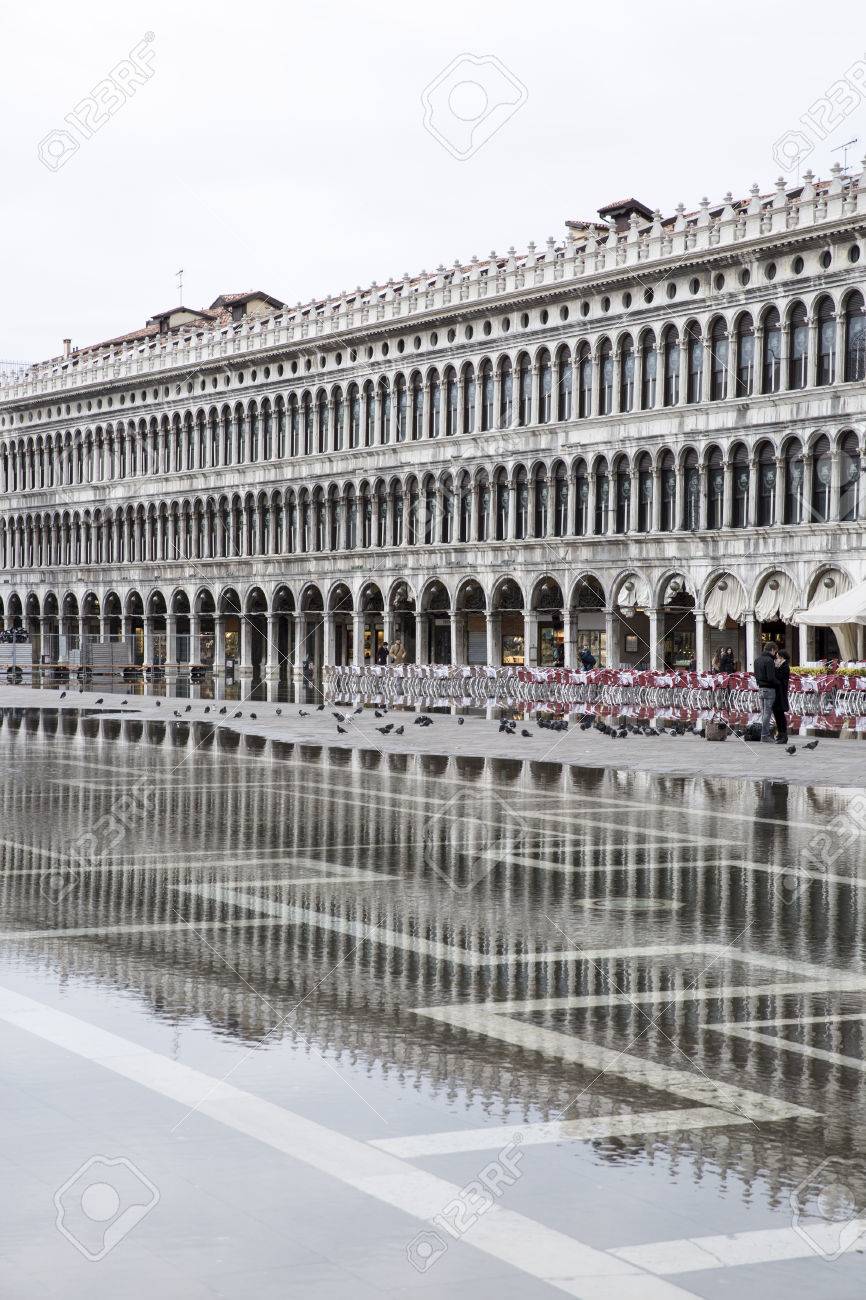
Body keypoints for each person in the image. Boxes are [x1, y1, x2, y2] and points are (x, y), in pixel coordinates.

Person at [753, 640, 779, 742]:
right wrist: (779, 683)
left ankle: (764, 734)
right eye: (775, 652)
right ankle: (765, 735)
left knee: (764, 713)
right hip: (769, 689)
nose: (775, 654)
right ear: (772, 650)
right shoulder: (769, 661)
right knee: (767, 713)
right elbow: (771, 677)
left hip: (760, 688)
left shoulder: (757, 660)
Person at [773, 646, 790, 744]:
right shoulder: (780, 666)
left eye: (778, 657)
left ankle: (783, 735)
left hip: (781, 693)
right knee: (777, 714)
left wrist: (775, 668)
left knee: (780, 715)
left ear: (782, 657)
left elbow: (780, 678)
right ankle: (779, 733)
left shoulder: (785, 666)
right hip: (777, 693)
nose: (776, 659)